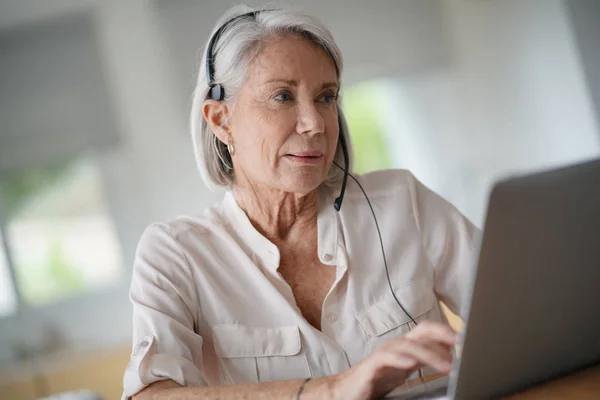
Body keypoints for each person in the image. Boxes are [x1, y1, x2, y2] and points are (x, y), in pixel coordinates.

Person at [122, 5, 478, 400]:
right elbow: (149, 395)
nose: (314, 123)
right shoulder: (176, 254)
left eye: (326, 97)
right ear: (221, 120)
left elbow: (520, 314)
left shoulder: (402, 203)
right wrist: (331, 390)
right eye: (282, 96)